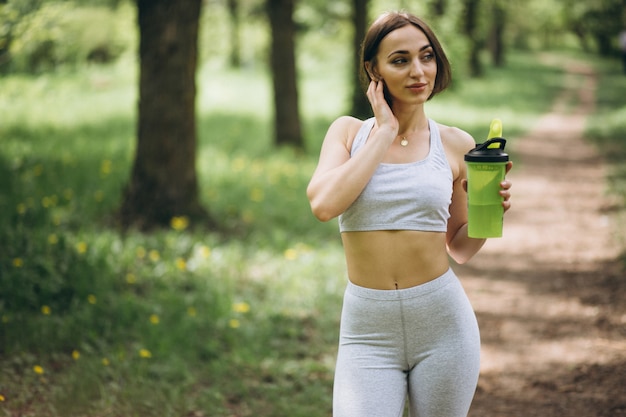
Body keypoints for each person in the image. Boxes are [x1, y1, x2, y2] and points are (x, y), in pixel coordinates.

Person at [306, 11, 513, 417]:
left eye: (427, 56)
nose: (419, 71)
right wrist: (383, 132)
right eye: (400, 60)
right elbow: (324, 205)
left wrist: (491, 212)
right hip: (368, 333)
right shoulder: (348, 134)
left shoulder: (455, 143)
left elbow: (460, 248)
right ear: (374, 70)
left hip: (443, 326)